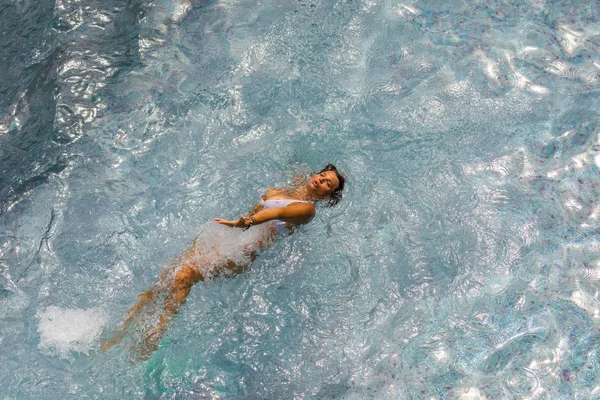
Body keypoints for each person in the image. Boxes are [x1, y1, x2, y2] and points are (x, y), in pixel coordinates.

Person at [102, 164, 346, 360]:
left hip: (241, 250)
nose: (321, 180)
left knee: (184, 276)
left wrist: (247, 222)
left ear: (328, 196)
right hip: (227, 236)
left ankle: (155, 336)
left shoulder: (306, 210)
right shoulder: (293, 187)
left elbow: (274, 213)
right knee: (167, 276)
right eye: (322, 175)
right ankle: (122, 329)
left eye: (328, 184)